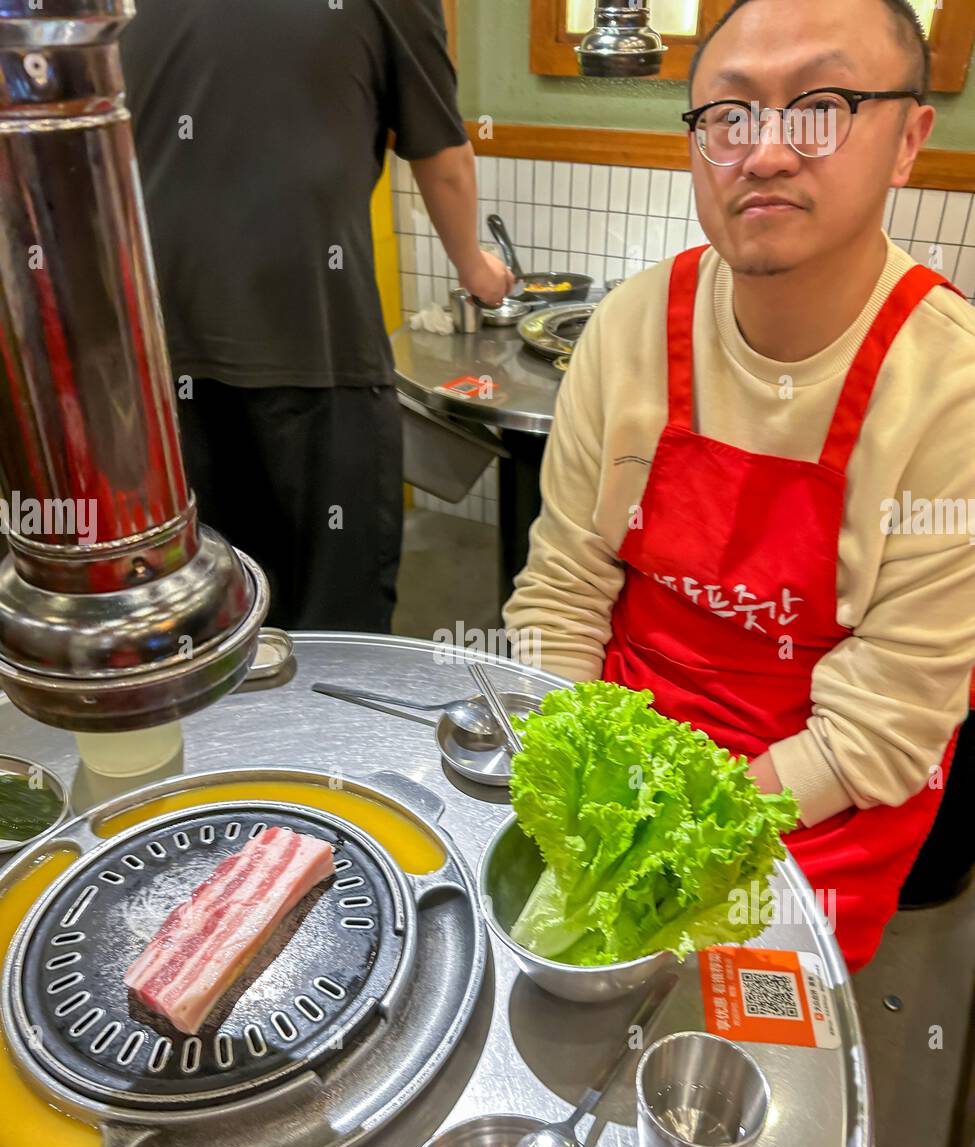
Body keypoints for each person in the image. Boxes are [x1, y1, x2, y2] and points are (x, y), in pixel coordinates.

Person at [503, 0, 975, 972]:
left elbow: (888, 717)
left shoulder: (950, 392)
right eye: (729, 113)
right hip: (628, 748)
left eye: (821, 105)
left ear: (907, 139)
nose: (764, 151)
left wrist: (687, 838)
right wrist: (590, 782)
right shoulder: (631, 329)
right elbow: (564, 586)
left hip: (819, 805)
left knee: (733, 1097)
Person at [121, 0, 512, 633]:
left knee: (203, 618)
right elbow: (443, 158)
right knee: (337, 619)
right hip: (316, 348)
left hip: (157, 363)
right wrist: (477, 270)